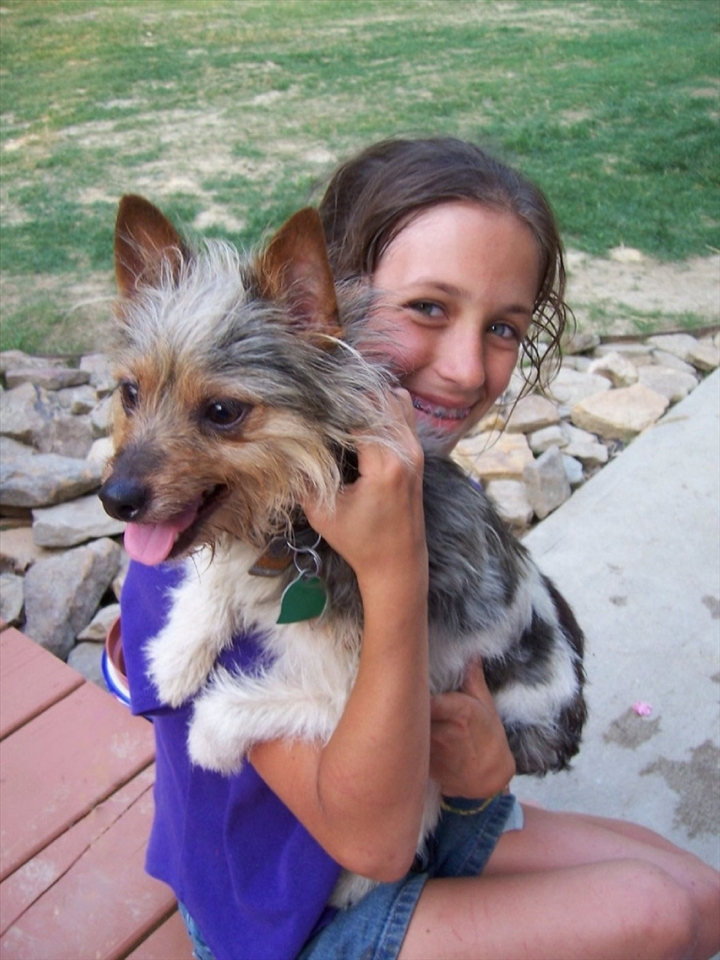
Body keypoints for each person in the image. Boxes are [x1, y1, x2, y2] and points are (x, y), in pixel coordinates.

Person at [119, 137, 720, 960]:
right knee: (655, 911)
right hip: (290, 918)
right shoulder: (195, 549)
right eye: (429, 308)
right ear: (320, 311)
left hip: (434, 822)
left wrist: (484, 776)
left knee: (703, 897)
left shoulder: (383, 472)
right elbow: (374, 844)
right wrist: (392, 564)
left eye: (504, 326)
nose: (468, 368)